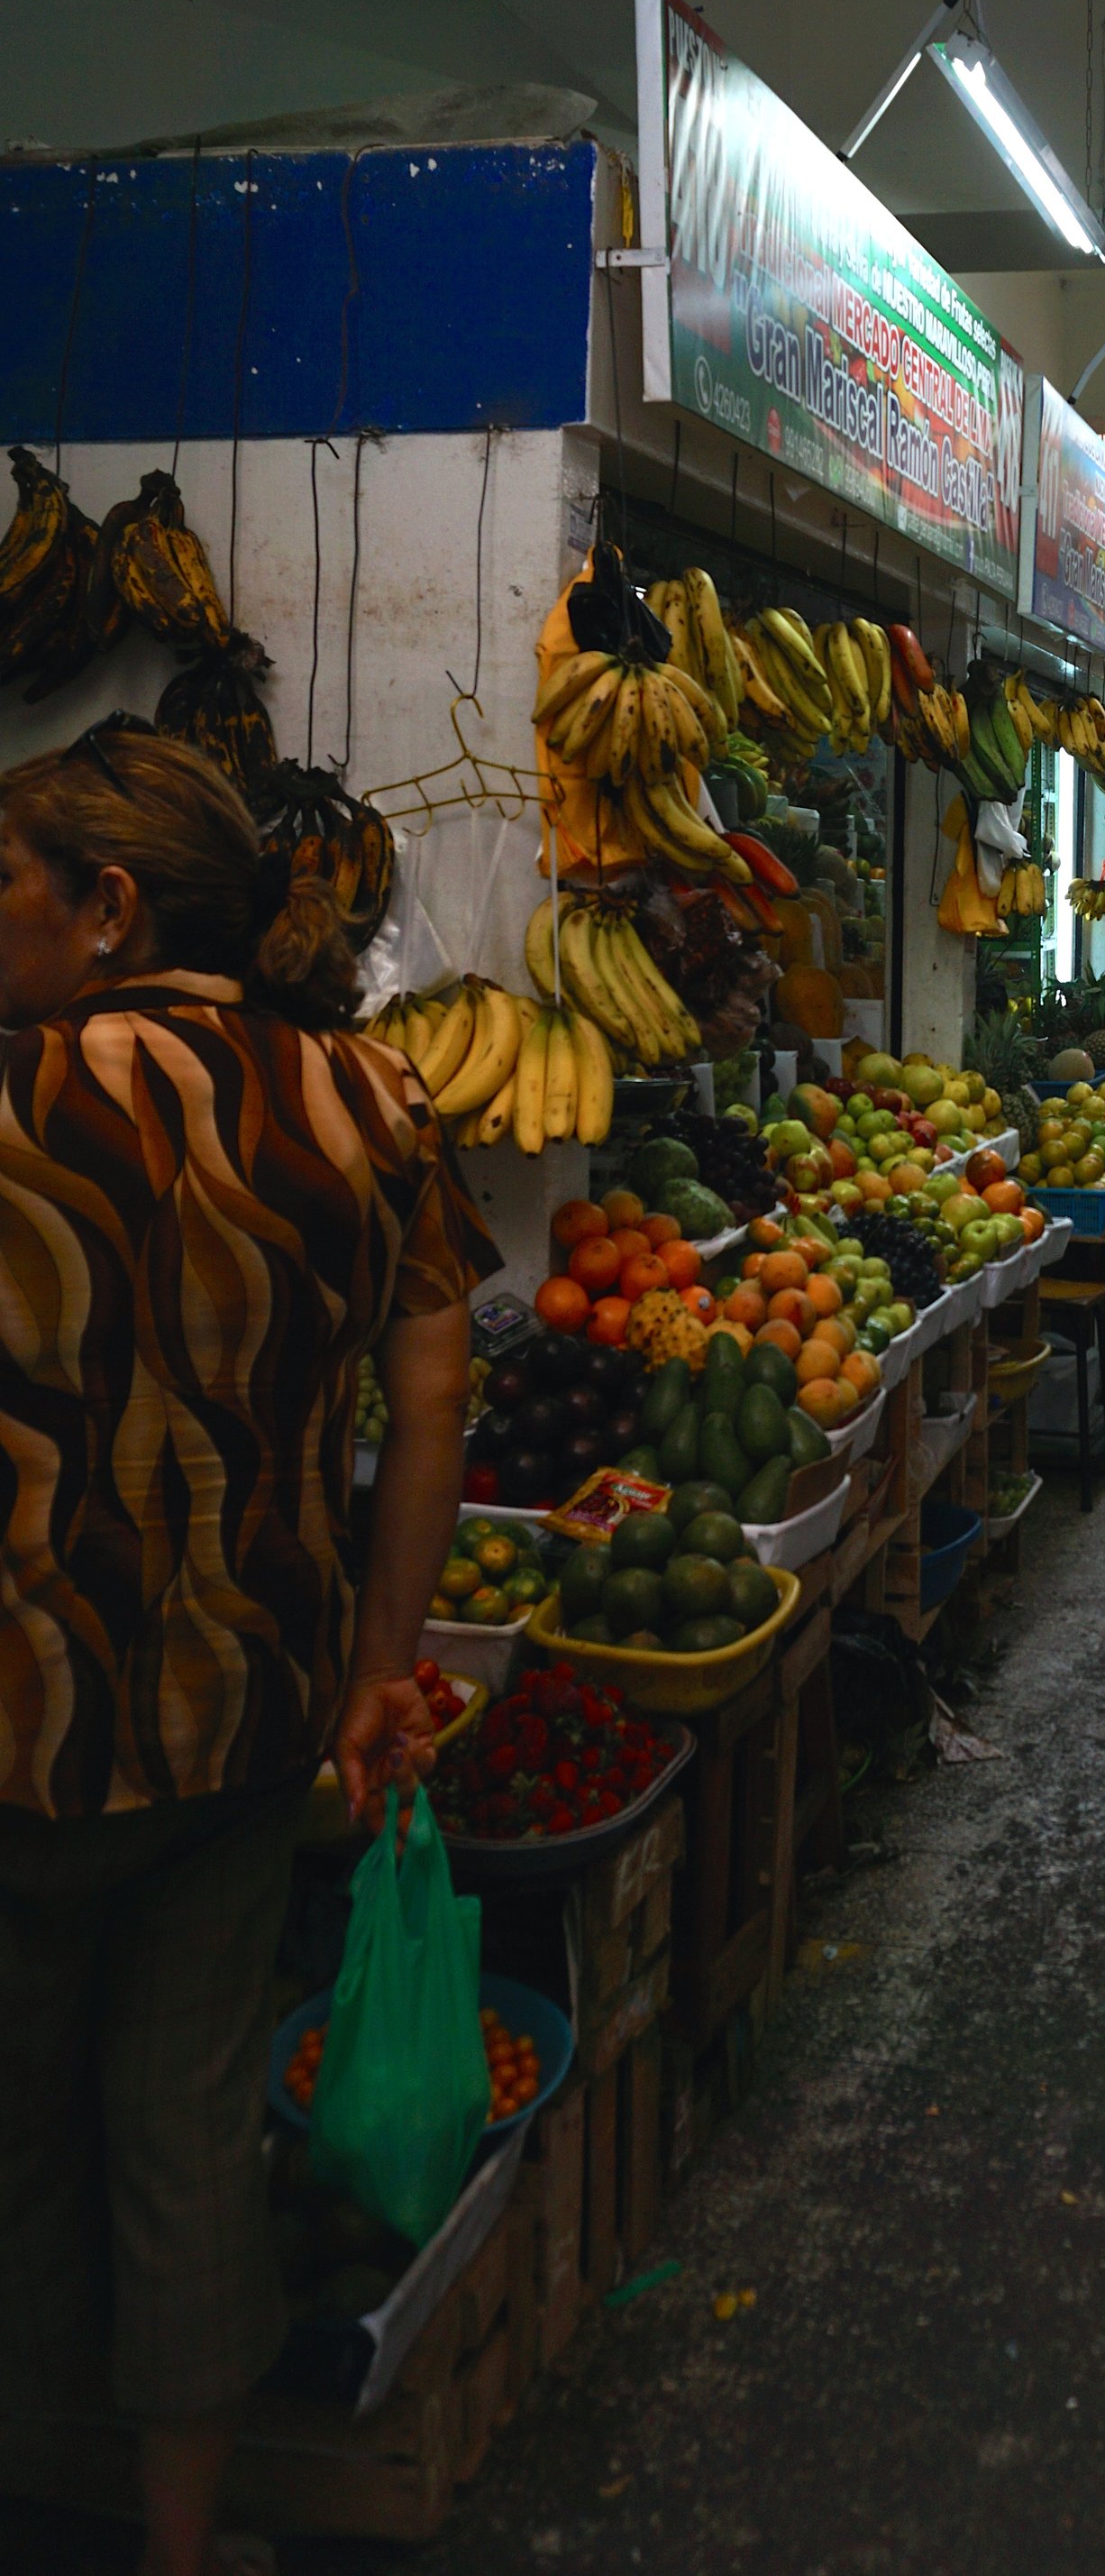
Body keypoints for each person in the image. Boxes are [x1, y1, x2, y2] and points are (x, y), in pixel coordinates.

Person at [0, 730, 498, 2576]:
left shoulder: (18, 1098)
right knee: (187, 2138)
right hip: (244, 1725)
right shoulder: (368, 1101)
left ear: (108, 905)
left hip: (21, 1722)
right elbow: (433, 1389)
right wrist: (381, 1668)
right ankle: (178, 2546)